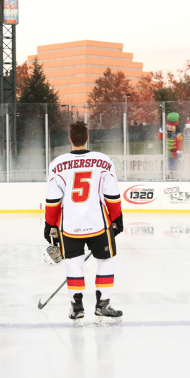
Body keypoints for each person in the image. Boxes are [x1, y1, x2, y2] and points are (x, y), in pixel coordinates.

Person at [44, 121, 125, 322]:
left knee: (73, 264)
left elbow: (53, 200)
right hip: (98, 223)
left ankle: (77, 306)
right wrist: (117, 219)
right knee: (105, 262)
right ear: (87, 137)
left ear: (70, 138)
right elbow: (112, 195)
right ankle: (103, 304)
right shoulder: (103, 160)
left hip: (70, 225)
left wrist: (50, 224)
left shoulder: (56, 164)